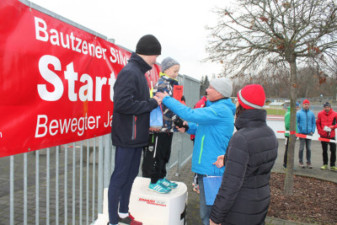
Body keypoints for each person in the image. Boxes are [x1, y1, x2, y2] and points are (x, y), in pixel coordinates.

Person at [156, 77, 235, 225]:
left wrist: (167, 99)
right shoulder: (218, 109)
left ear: (220, 92)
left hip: (212, 171)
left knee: (210, 214)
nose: (207, 90)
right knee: (207, 211)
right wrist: (188, 128)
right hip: (207, 168)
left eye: (210, 87)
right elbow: (205, 129)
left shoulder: (220, 110)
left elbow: (190, 115)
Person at [108, 34, 162, 225]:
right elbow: (122, 104)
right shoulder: (130, 72)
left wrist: (150, 105)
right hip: (127, 136)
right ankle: (113, 221)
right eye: (156, 54)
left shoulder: (139, 73)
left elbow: (135, 103)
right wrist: (151, 103)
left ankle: (123, 214)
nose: (157, 59)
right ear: (150, 53)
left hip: (136, 135)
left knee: (130, 176)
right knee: (120, 177)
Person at [209, 84, 278, 225]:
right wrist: (229, 159)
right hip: (259, 203)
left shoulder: (241, 138)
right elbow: (255, 165)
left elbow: (231, 184)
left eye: (237, 100)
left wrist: (215, 217)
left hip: (240, 208)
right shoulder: (269, 133)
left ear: (242, 104)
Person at [141, 57, 181, 193]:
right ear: (166, 69)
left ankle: (161, 177)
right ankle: (152, 181)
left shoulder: (172, 84)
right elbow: (166, 106)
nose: (176, 73)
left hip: (168, 126)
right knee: (156, 155)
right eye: (175, 70)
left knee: (165, 153)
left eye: (178, 71)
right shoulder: (162, 84)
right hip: (160, 126)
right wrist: (177, 118)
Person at [316, 102, 337, 171]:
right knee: (324, 150)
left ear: (330, 107)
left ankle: (333, 165)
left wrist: (333, 127)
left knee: (333, 150)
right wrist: (320, 131)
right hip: (323, 135)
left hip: (332, 135)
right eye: (325, 107)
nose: (327, 108)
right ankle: (325, 164)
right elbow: (318, 123)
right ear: (324, 107)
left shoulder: (335, 114)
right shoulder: (320, 114)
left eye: (328, 107)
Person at [296, 99, 316, 168]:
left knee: (309, 148)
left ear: (309, 105)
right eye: (305, 104)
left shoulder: (311, 113)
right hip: (302, 133)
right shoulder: (298, 113)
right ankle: (300, 161)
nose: (306, 105)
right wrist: (299, 131)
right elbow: (296, 123)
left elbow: (314, 123)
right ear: (303, 105)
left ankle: (308, 162)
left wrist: (312, 131)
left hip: (309, 134)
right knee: (301, 148)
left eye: (307, 104)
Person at [283, 102, 300, 168]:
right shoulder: (289, 114)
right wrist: (292, 131)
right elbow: (287, 125)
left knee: (291, 150)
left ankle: (289, 164)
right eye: (297, 107)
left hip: (293, 134)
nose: (298, 108)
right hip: (289, 135)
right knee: (288, 150)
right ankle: (286, 164)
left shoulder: (293, 114)